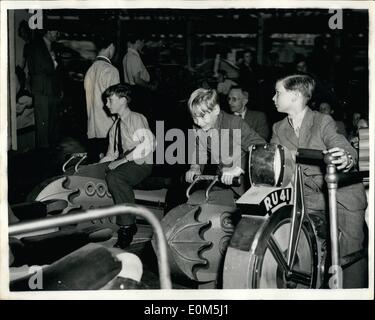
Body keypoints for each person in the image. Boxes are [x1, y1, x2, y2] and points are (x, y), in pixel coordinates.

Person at [270, 74, 367, 288]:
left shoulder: (322, 121)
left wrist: (346, 156)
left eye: (278, 93)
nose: (273, 98)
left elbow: (339, 142)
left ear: (295, 96)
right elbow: (275, 163)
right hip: (308, 198)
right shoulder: (278, 128)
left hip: (341, 195)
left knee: (349, 255)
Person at [99, 84, 155, 249]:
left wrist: (121, 162)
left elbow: (149, 144)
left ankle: (127, 226)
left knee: (115, 176)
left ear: (123, 100)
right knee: (101, 173)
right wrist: (94, 166)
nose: (106, 104)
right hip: (126, 162)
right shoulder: (114, 127)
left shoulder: (136, 118)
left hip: (142, 162)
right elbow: (111, 155)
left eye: (110, 100)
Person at [185, 88, 265, 195]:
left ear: (216, 110)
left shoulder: (234, 123)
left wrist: (239, 168)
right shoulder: (198, 126)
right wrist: (195, 167)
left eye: (203, 116)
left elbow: (261, 148)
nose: (198, 122)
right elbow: (200, 149)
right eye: (194, 118)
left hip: (246, 184)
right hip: (221, 182)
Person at [84, 36, 120, 163]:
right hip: (108, 129)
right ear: (111, 46)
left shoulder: (90, 70)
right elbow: (115, 104)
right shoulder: (110, 70)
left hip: (92, 130)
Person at [26, 27, 62, 149]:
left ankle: (50, 150)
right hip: (41, 89)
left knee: (51, 122)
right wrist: (54, 64)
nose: (57, 33)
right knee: (43, 123)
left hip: (51, 88)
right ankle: (43, 153)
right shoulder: (35, 45)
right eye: (55, 31)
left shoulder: (53, 47)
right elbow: (39, 68)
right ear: (47, 31)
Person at [122, 34, 155, 121]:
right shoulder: (134, 57)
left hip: (131, 91)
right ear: (137, 42)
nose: (143, 45)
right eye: (142, 42)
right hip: (139, 92)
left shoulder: (126, 56)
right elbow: (137, 80)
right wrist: (150, 86)